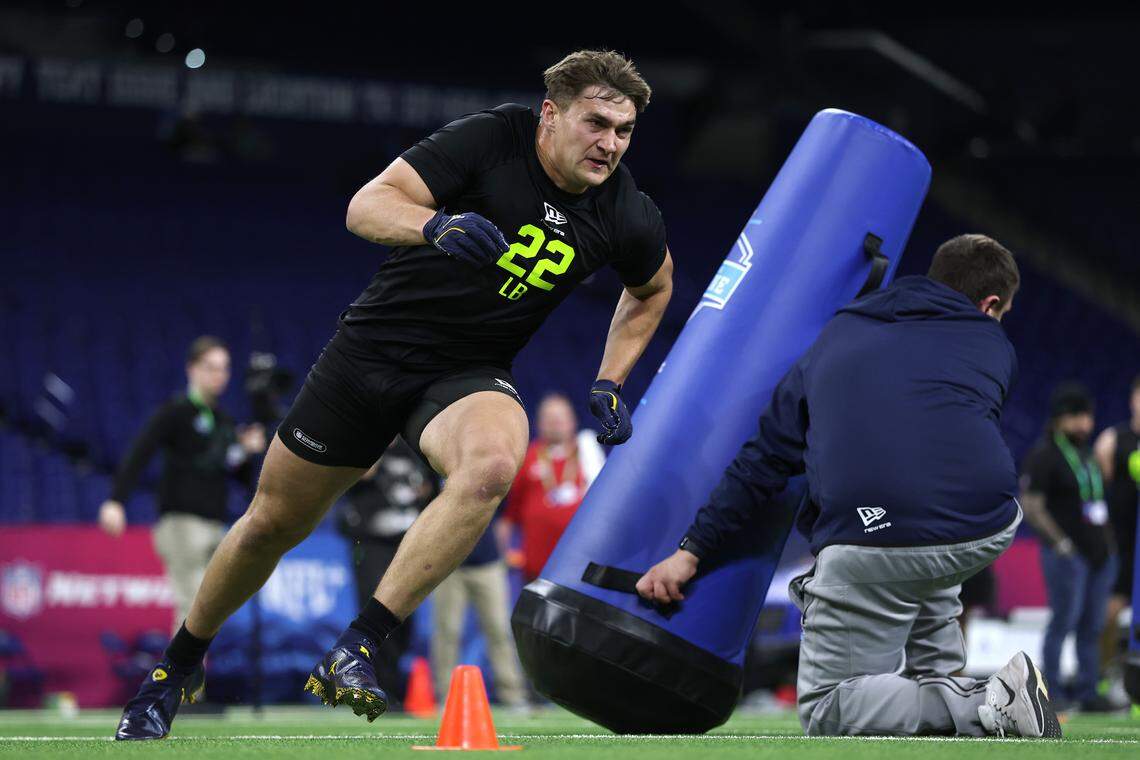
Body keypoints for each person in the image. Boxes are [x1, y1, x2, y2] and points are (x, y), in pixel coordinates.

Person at [114, 49, 672, 739]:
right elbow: (365, 205)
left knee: (495, 463)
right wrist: (432, 226)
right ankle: (177, 666)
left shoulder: (625, 210)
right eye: (597, 122)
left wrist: (611, 377)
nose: (610, 144)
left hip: (465, 373)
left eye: (624, 131)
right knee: (269, 526)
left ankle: (361, 645)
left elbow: (653, 289)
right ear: (550, 115)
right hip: (369, 358)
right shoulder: (490, 139)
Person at [637, 235, 1063, 739]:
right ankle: (944, 682)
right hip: (986, 522)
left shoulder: (839, 332)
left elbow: (766, 458)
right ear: (991, 304)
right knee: (923, 527)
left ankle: (989, 701)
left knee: (829, 707)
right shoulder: (994, 344)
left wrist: (693, 550)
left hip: (876, 533)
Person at [98, 336, 266, 632]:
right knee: (192, 609)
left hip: (216, 523)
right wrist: (115, 500)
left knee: (207, 614)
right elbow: (140, 451)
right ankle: (180, 679)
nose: (219, 375)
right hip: (181, 523)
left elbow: (239, 477)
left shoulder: (225, 421)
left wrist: (247, 452)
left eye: (224, 369)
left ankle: (188, 677)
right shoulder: (176, 411)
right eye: (211, 367)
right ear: (192, 369)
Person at [1022, 383, 1119, 712]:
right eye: (1077, 416)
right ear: (1060, 418)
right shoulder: (1044, 455)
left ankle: (1088, 691)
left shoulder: (1088, 453)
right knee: (1062, 622)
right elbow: (1032, 506)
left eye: (1087, 416)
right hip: (1066, 555)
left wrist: (1109, 547)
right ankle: (1050, 691)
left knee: (1092, 626)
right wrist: (1061, 544)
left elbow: (1097, 499)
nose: (1084, 423)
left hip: (1099, 555)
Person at [336, 438, 437, 700]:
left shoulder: (416, 449)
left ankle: (394, 685)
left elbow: (432, 488)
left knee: (404, 616)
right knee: (376, 610)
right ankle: (376, 684)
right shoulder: (365, 441)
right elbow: (354, 475)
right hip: (371, 542)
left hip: (409, 543)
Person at [498, 393, 604, 583]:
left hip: (580, 567)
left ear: (572, 421)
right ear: (539, 423)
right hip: (535, 570)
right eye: (549, 419)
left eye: (560, 418)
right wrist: (504, 553)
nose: (555, 423)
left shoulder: (589, 455)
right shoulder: (527, 457)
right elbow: (509, 515)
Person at [430, 525, 528, 708]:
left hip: (488, 563)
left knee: (500, 630)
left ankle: (513, 694)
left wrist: (503, 550)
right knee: (447, 632)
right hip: (448, 566)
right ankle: (445, 696)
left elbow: (503, 520)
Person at [1094, 374, 1140, 675]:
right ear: (1133, 399)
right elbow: (1100, 488)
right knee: (1110, 611)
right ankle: (1102, 674)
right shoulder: (1112, 440)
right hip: (1123, 539)